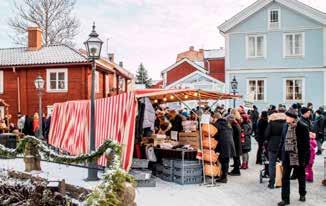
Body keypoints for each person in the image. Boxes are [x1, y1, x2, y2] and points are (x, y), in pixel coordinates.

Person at [278, 108, 310, 206]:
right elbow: (282, 141)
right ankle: (285, 199)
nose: (285, 118)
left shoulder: (302, 126)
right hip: (287, 156)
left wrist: (305, 159)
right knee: (285, 177)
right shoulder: (285, 126)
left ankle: (302, 194)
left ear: (293, 118)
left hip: (298, 156)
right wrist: (280, 154)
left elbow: (306, 145)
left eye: (287, 116)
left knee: (301, 176)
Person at [265, 109, 286, 189]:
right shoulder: (285, 123)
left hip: (273, 145)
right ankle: (281, 181)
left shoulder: (271, 123)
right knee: (283, 163)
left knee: (272, 164)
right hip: (283, 145)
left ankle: (271, 182)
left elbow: (267, 134)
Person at [214, 114, 235, 183]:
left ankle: (223, 177)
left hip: (223, 144)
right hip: (230, 143)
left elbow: (215, 135)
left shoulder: (217, 124)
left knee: (223, 161)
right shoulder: (228, 124)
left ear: (215, 118)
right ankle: (223, 176)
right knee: (226, 161)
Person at [228, 109, 242, 176]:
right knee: (236, 157)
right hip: (237, 143)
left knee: (236, 157)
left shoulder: (234, 125)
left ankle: (237, 171)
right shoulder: (236, 123)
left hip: (236, 143)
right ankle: (236, 169)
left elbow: (233, 134)